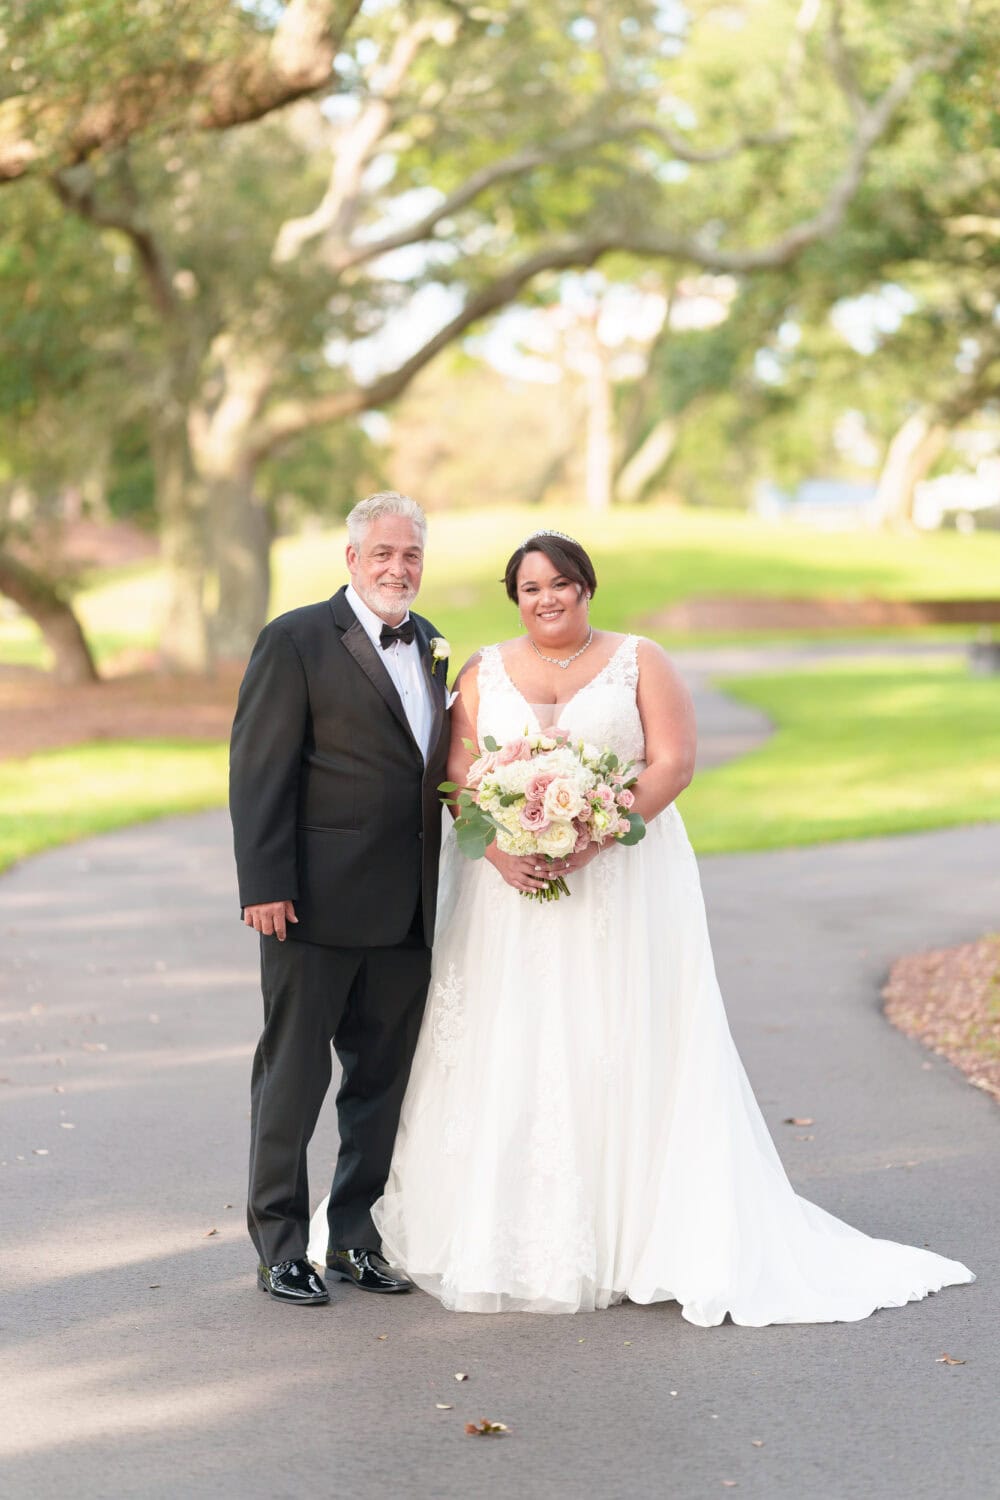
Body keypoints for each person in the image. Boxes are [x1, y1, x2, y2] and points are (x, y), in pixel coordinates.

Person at [310, 528, 974, 1323]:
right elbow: (454, 772)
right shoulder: (485, 668)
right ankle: (489, 1228)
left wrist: (593, 834)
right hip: (505, 889)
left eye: (561, 583)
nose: (547, 599)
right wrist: (500, 850)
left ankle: (631, 1234)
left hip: (620, 879)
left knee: (614, 1035)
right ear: (514, 599)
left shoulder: (640, 659)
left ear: (586, 587)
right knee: (505, 1039)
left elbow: (672, 762)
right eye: (530, 589)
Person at [230, 491, 450, 1305]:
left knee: (380, 1082)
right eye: (384, 554)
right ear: (352, 559)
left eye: (413, 555)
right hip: (311, 908)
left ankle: (355, 1238)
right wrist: (265, 885)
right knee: (291, 1078)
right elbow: (259, 771)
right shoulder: (294, 638)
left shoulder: (429, 643)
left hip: (407, 911)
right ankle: (282, 1245)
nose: (399, 567)